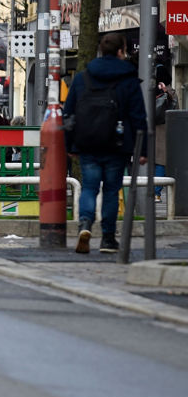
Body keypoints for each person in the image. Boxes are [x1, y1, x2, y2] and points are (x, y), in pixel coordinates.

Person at [64, 33, 148, 255]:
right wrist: (143, 149)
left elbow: (69, 112)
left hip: (87, 143)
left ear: (101, 50)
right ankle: (108, 239)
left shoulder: (83, 78)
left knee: (90, 187)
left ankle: (84, 224)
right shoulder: (128, 79)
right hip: (117, 144)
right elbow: (139, 116)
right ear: (121, 51)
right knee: (111, 190)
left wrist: (69, 145)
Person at [154, 65, 179, 200]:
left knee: (150, 162)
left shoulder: (148, 90)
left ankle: (147, 191)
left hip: (149, 130)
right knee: (160, 162)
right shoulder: (170, 93)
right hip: (164, 131)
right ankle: (156, 192)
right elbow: (176, 113)